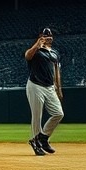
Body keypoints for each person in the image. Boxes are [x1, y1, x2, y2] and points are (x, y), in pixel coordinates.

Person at [24, 27, 63, 156]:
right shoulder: (36, 50)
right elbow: (27, 56)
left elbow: (57, 71)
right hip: (35, 85)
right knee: (37, 116)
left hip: (50, 87)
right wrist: (37, 44)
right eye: (46, 35)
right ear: (41, 36)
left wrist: (59, 88)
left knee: (58, 113)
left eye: (50, 35)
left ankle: (43, 137)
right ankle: (35, 142)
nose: (49, 37)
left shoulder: (55, 53)